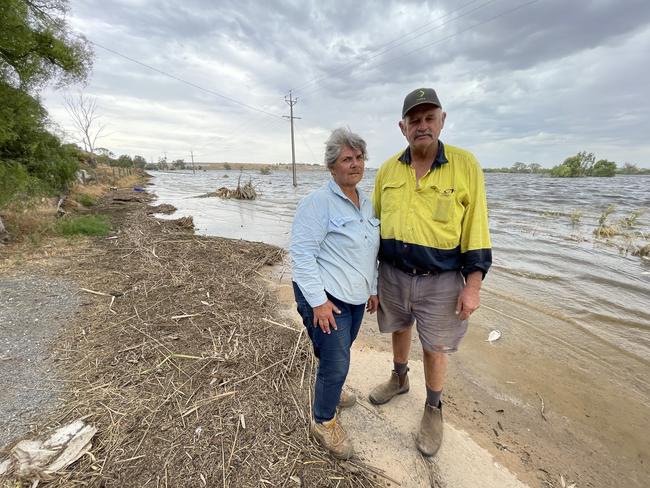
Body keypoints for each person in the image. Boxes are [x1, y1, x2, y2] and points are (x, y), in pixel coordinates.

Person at [369, 88, 492, 457]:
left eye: (428, 118)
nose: (421, 126)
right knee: (398, 327)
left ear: (442, 120)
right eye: (414, 120)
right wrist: (368, 279)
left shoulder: (465, 165)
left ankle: (433, 408)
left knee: (436, 347)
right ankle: (399, 377)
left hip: (440, 279)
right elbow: (372, 226)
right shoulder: (388, 170)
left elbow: (476, 229)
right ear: (402, 127)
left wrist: (473, 286)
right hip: (392, 272)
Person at [290, 127, 380, 459]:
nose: (355, 164)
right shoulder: (317, 203)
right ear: (332, 166)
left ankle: (330, 385)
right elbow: (301, 255)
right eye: (346, 159)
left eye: (359, 158)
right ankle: (323, 420)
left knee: (336, 353)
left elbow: (370, 250)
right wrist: (319, 303)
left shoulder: (368, 202)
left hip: (356, 298)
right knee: (337, 361)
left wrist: (373, 288)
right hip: (327, 298)